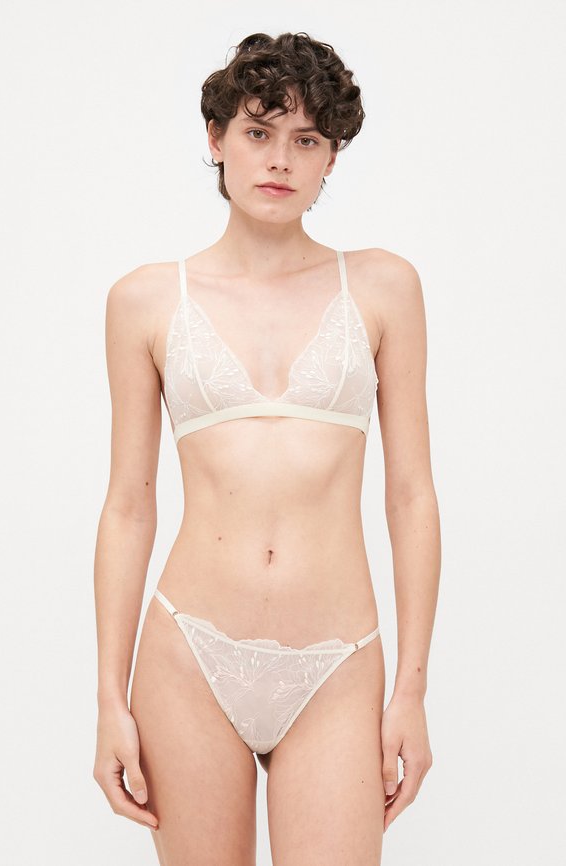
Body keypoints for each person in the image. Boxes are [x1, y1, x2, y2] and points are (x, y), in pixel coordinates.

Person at [92, 30, 440, 865]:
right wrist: (108, 698)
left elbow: (411, 495)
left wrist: (412, 691)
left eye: (307, 140)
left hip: (338, 661)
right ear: (216, 139)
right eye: (258, 131)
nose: (280, 159)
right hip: (188, 653)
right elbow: (129, 505)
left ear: (331, 159)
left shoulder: (384, 287)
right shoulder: (146, 300)